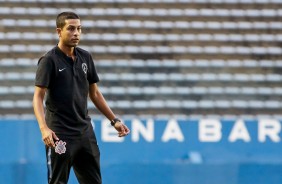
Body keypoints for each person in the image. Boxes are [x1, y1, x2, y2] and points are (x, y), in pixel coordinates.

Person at [33, 11, 130, 184]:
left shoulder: (86, 57)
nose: (76, 33)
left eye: (79, 28)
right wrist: (43, 128)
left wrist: (114, 120)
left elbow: (95, 94)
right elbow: (38, 97)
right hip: (59, 135)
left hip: (85, 133)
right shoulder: (49, 61)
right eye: (70, 29)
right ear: (59, 31)